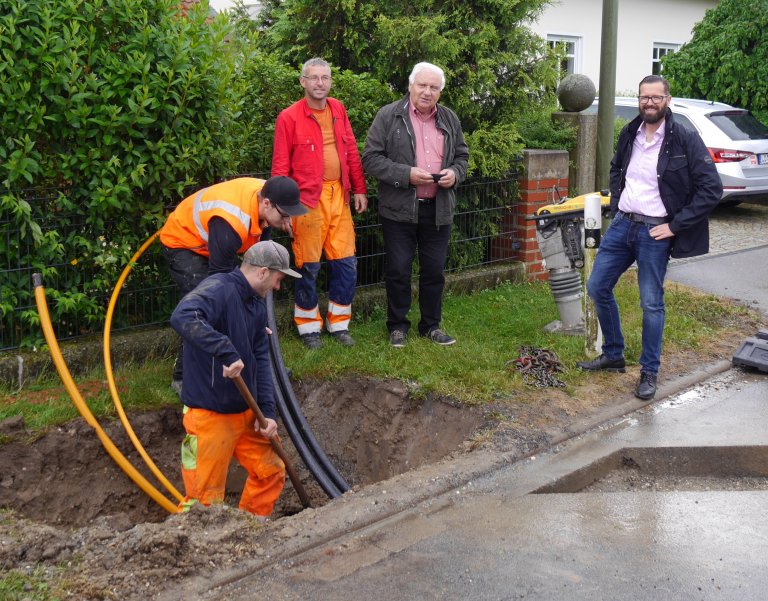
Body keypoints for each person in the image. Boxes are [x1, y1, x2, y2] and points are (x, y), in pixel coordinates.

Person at [577, 75, 722, 400]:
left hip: (655, 232)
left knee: (651, 303)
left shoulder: (683, 139)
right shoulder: (631, 132)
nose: (650, 103)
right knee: (597, 286)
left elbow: (711, 188)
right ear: (640, 99)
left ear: (667, 100)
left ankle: (649, 372)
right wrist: (617, 205)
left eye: (656, 97)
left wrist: (675, 226)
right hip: (623, 225)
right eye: (645, 97)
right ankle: (614, 354)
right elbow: (617, 169)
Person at [169, 240, 302, 518]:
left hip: (246, 412)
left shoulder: (256, 304)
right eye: (278, 280)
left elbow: (261, 359)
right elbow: (183, 316)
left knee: (271, 472)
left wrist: (266, 412)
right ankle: (199, 552)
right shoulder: (218, 290)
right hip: (210, 415)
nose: (278, 288)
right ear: (263, 272)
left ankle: (249, 530)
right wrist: (226, 351)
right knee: (204, 503)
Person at [160, 176, 307, 392]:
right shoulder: (231, 221)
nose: (289, 221)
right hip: (185, 245)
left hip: (214, 243)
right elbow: (222, 283)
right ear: (266, 204)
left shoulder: (268, 196)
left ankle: (262, 368)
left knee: (249, 300)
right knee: (208, 308)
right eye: (286, 214)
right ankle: (182, 378)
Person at [362, 62, 469, 348]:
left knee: (434, 271)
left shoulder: (449, 119)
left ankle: (431, 326)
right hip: (399, 209)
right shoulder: (388, 116)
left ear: (440, 92)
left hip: (438, 209)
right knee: (398, 269)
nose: (427, 92)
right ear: (410, 86)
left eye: (434, 87)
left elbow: (462, 157)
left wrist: (455, 174)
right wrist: (405, 174)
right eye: (422, 85)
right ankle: (397, 326)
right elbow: (371, 159)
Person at [272, 58, 368, 350]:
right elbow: (280, 166)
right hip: (306, 201)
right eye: (313, 78)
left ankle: (339, 323)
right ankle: (308, 327)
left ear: (330, 81)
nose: (320, 83)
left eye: (325, 77)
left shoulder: (338, 109)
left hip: (339, 194)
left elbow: (350, 149)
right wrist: (282, 209)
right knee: (308, 266)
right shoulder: (288, 117)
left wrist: (359, 189)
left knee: (346, 263)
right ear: (303, 82)